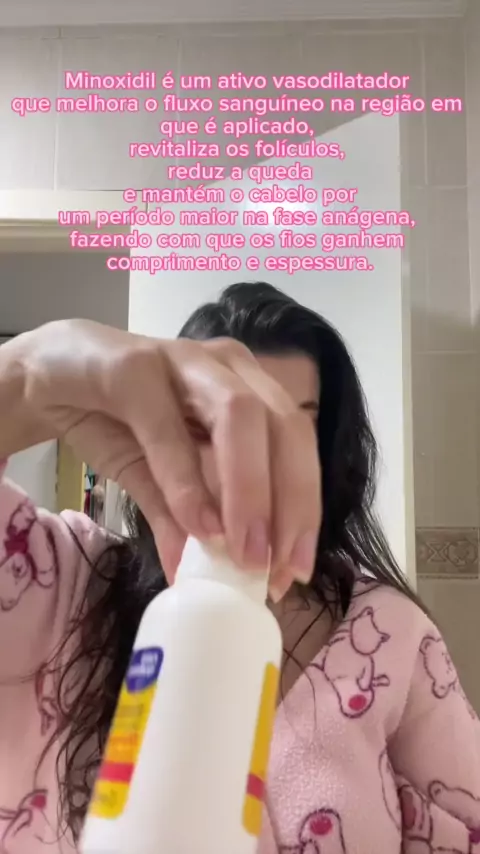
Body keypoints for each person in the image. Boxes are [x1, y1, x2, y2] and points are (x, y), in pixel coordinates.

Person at [0, 281, 478, 854]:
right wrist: (24, 377)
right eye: (211, 425)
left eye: (292, 428)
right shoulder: (66, 581)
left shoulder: (390, 635)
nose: (253, 460)